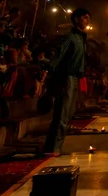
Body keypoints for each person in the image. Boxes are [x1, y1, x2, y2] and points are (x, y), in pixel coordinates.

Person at [44, 8, 91, 154]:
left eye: (88, 17)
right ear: (76, 19)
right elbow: (59, 56)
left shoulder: (81, 38)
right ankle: (53, 148)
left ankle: (55, 146)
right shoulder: (70, 37)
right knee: (62, 114)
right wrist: (49, 72)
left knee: (67, 114)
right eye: (85, 17)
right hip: (67, 77)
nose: (87, 20)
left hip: (76, 77)